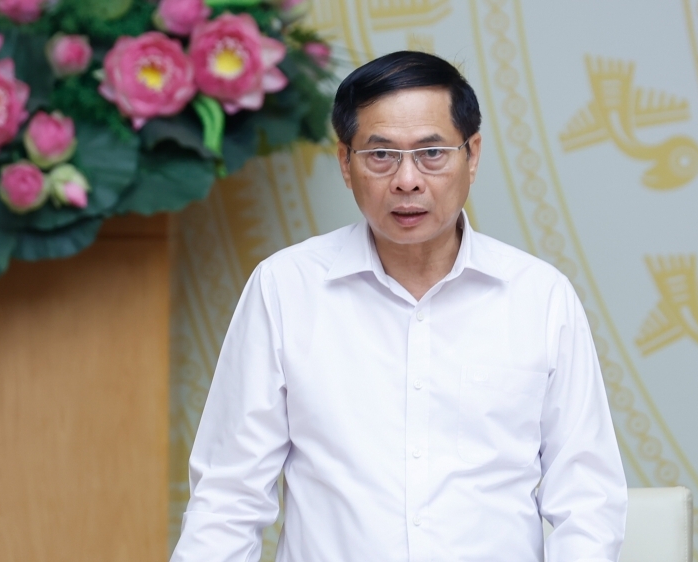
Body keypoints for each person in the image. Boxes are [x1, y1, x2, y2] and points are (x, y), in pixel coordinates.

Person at [170, 50, 627, 562]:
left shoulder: (539, 297)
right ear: (345, 163)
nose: (407, 180)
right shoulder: (285, 288)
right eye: (381, 155)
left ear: (473, 155)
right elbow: (228, 497)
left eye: (432, 153)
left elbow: (587, 501)